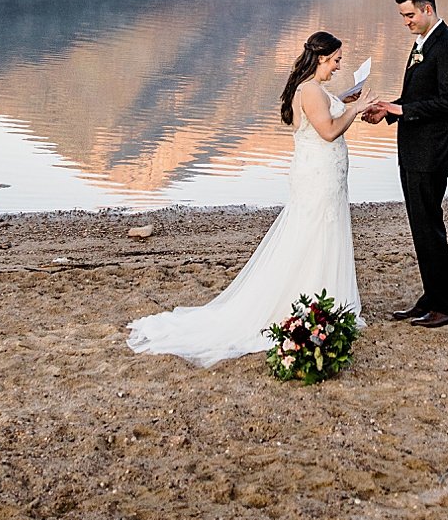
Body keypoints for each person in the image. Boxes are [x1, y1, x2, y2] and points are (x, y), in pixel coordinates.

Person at [126, 30, 366, 367]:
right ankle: (309, 299)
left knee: (321, 233)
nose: (340, 65)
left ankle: (323, 297)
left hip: (323, 173)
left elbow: (325, 112)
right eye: (337, 60)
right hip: (319, 175)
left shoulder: (314, 90)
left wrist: (347, 101)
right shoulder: (310, 90)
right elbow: (328, 131)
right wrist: (359, 109)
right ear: (323, 58)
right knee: (313, 233)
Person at [361, 0, 448, 328]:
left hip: (432, 153)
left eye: (409, 14)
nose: (405, 21)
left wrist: (399, 110)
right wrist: (387, 111)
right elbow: (416, 96)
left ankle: (446, 306)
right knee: (421, 228)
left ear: (427, 10)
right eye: (403, 15)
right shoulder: (422, 43)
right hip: (415, 151)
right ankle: (431, 297)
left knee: (429, 228)